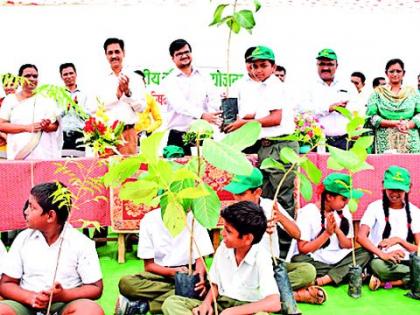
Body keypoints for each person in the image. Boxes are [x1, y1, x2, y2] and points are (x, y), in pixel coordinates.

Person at [224, 168, 327, 304]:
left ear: (257, 192)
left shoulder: (270, 206)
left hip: (272, 264)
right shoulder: (233, 212)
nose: (236, 199)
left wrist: (280, 217)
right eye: (235, 194)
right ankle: (294, 296)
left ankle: (265, 296)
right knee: (230, 284)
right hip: (245, 267)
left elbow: (297, 234)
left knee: (308, 271)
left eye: (241, 194)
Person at [0, 182, 104, 315]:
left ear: (50, 216)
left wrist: (63, 295)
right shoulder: (23, 239)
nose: (26, 212)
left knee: (91, 311)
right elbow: (6, 284)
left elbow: (95, 288)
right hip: (27, 305)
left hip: (65, 303)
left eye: (32, 207)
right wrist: (31, 297)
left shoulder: (80, 242)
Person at [161, 201, 281, 315]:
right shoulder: (224, 247)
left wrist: (232, 312)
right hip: (221, 303)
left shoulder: (262, 256)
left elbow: (274, 303)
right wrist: (206, 304)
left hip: (247, 309)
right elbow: (215, 284)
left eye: (228, 231)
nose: (222, 233)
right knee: (171, 303)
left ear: (248, 238)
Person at [225, 46, 297, 219]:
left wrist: (244, 123)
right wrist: (238, 121)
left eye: (263, 65)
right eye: (255, 66)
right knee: (265, 198)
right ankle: (270, 242)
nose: (258, 70)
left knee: (281, 199)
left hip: (280, 146)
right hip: (265, 147)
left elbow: (275, 119)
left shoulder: (274, 85)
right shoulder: (261, 87)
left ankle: (284, 243)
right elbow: (254, 115)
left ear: (273, 67)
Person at [116, 207, 214, 314]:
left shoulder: (194, 218)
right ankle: (183, 294)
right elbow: (149, 266)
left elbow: (201, 260)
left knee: (200, 289)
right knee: (126, 283)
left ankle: (143, 305)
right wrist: (174, 272)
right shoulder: (150, 219)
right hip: (160, 274)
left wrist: (199, 278)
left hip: (189, 273)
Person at [291, 173, 371, 286]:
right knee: (299, 260)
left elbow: (348, 245)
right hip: (318, 261)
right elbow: (303, 249)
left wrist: (337, 230)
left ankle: (326, 279)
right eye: (343, 199)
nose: (347, 202)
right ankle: (344, 274)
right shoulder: (307, 213)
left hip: (341, 259)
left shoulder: (345, 211)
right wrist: (327, 233)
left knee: (366, 253)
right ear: (329, 197)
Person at [357, 166, 420, 291]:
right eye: (391, 188)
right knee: (378, 266)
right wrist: (383, 255)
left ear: (409, 189)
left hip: (408, 262)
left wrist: (399, 240)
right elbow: (361, 237)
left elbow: (418, 249)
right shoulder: (374, 207)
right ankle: (410, 279)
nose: (395, 194)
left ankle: (386, 283)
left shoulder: (415, 212)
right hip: (382, 261)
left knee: (415, 270)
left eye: (399, 190)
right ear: (383, 185)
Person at [162, 39, 221, 155]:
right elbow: (180, 105)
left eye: (186, 52)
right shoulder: (169, 80)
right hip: (179, 136)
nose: (184, 56)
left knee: (206, 171)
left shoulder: (205, 77)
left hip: (203, 134)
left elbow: (214, 100)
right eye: (179, 54)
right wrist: (203, 115)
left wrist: (216, 115)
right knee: (177, 172)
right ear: (172, 58)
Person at [94, 37, 146, 155]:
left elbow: (142, 108)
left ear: (123, 53)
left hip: (128, 133)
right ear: (106, 55)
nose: (114, 56)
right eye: (110, 53)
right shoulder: (100, 80)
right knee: (106, 172)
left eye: (117, 52)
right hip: (105, 135)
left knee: (128, 172)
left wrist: (128, 93)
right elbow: (95, 107)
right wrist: (116, 96)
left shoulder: (135, 78)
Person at [299, 48, 358, 150]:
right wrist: (328, 108)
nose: (325, 67)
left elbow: (357, 110)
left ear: (337, 65)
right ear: (317, 65)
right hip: (318, 142)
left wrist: (344, 110)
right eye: (322, 64)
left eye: (330, 64)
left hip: (345, 141)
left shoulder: (348, 86)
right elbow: (303, 111)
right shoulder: (308, 86)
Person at [0, 64, 62, 160]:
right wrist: (26, 128)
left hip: (44, 154)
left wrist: (46, 126)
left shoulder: (47, 99)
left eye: (35, 76)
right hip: (19, 154)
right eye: (27, 76)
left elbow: (55, 126)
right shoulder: (10, 100)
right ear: (20, 79)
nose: (32, 78)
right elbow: (1, 125)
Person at [366, 58, 420, 153]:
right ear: (386, 73)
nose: (395, 74)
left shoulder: (413, 93)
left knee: (411, 166)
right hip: (385, 140)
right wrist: (394, 123)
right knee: (387, 166)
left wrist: (408, 125)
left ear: (404, 73)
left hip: (410, 140)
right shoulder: (377, 93)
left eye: (398, 71)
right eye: (391, 71)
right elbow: (371, 117)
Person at [59, 63, 89, 157]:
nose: (69, 76)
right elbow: (54, 116)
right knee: (63, 166)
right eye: (65, 74)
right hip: (62, 136)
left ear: (76, 74)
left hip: (80, 136)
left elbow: (90, 116)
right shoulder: (58, 95)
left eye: (71, 73)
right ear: (61, 77)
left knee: (80, 166)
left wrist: (77, 108)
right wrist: (66, 108)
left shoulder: (85, 94)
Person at [133, 70, 163, 137]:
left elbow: (159, 120)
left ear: (144, 82)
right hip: (128, 136)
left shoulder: (149, 98)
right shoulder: (125, 99)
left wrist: (147, 131)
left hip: (144, 137)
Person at [0, 73, 17, 157]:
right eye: (6, 85)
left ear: (17, 85)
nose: (9, 87)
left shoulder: (24, 102)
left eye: (12, 84)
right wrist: (8, 139)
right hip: (2, 145)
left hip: (19, 144)